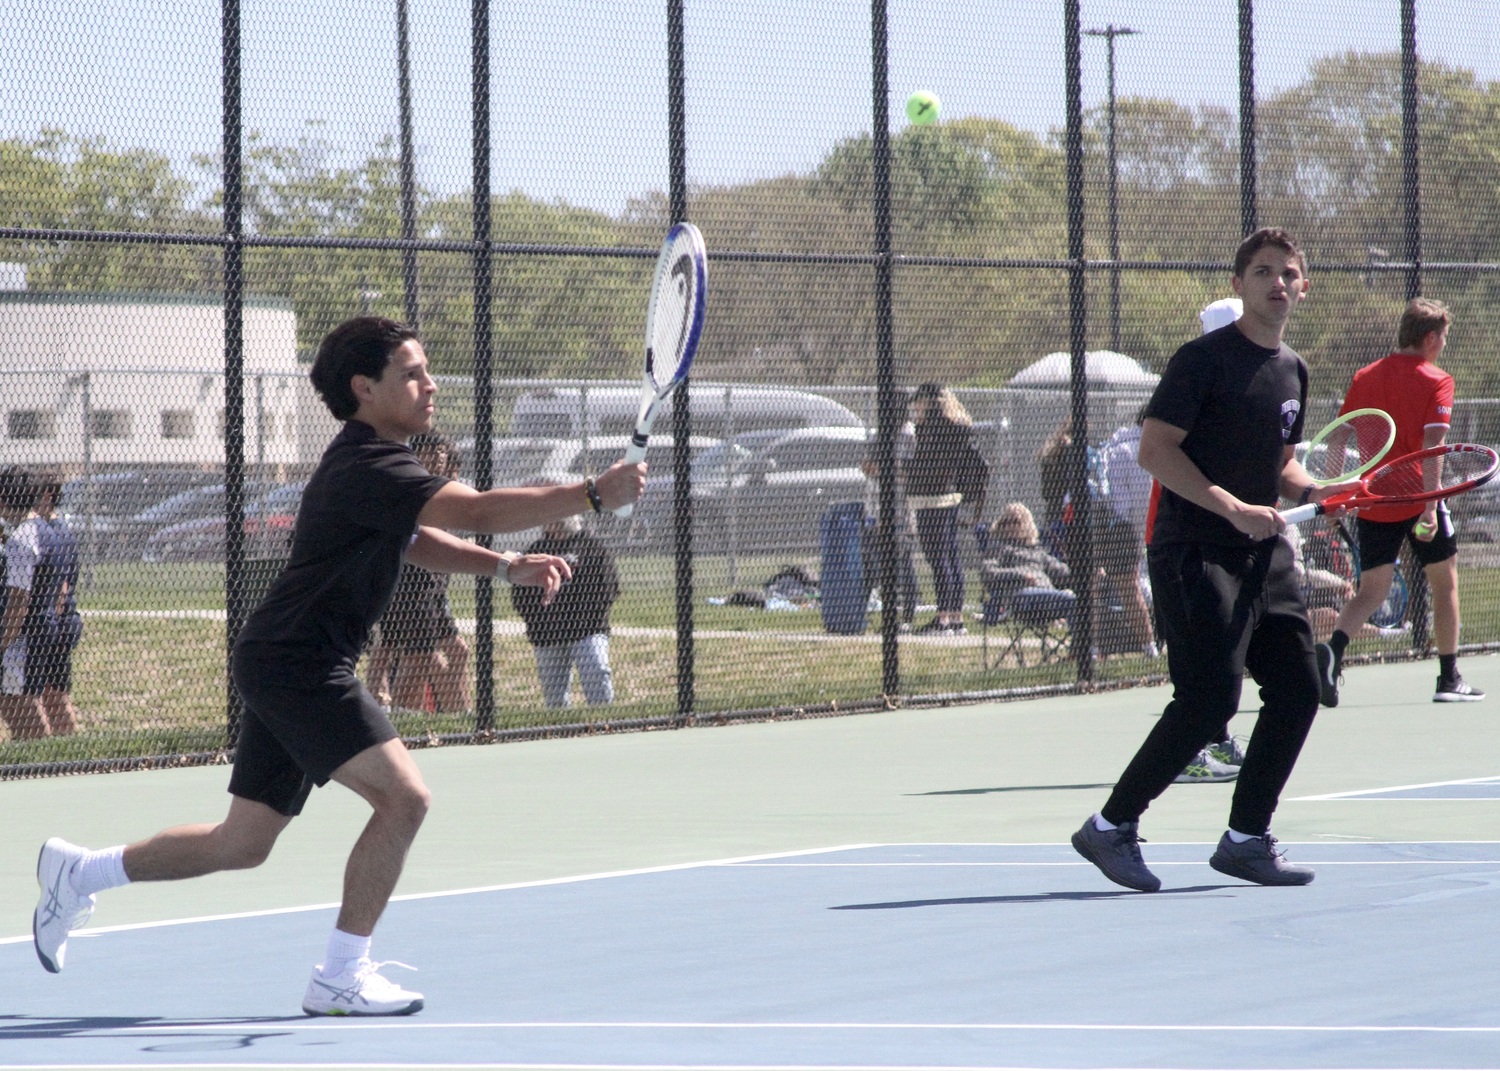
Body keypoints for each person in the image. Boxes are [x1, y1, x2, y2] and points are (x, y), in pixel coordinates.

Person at [31, 316, 645, 1016]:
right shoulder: (368, 461)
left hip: (283, 656)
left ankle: (79, 872)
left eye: (427, 370)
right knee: (405, 798)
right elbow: (476, 507)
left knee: (243, 842)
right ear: (365, 387)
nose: (430, 383)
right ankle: (339, 975)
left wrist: (505, 565)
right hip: (300, 663)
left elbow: (417, 540)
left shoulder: (375, 463)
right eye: (411, 372)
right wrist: (592, 493)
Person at [1071, 228, 1342, 892]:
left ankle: (1246, 839)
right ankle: (1110, 827)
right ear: (1238, 284)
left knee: (1300, 688)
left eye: (1288, 272)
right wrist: (1230, 507)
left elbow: (1279, 465)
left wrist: (1314, 492)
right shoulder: (1201, 361)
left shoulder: (1293, 371)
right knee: (1208, 699)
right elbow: (1156, 451)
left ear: (1302, 286)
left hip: (1264, 552)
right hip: (1194, 550)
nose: (1276, 282)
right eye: (1262, 272)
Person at [1316, 297, 1484, 705]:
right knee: (1445, 585)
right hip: (1418, 497)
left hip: (1373, 501)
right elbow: (1433, 444)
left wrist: (1339, 491)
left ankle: (1333, 653)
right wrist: (1429, 506)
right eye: (1443, 337)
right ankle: (1449, 678)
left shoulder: (1365, 376)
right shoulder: (1437, 380)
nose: (1443, 344)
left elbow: (1338, 435)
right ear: (1430, 338)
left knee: (1371, 591)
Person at [369, 432, 471, 714]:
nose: (438, 456)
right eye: (430, 450)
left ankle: (459, 715)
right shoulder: (411, 481)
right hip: (409, 581)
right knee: (416, 654)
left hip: (434, 583)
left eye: (440, 451)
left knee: (455, 652)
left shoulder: (441, 484)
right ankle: (396, 715)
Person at [512, 491, 621, 708]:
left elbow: (610, 588)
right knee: (554, 696)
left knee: (597, 671)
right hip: (548, 633)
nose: (553, 521)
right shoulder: (537, 551)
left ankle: (604, 718)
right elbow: (520, 594)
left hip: (587, 630)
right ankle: (560, 727)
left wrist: (586, 616)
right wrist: (539, 620)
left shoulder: (592, 547)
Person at [905, 382, 987, 635]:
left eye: (919, 402)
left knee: (938, 556)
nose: (916, 408)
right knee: (950, 556)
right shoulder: (957, 426)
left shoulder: (932, 426)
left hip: (932, 498)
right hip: (951, 495)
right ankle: (955, 617)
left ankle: (942, 619)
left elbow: (925, 464)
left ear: (928, 401)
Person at [860, 397, 919, 633]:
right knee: (875, 560)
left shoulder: (909, 436)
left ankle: (907, 614)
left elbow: (908, 473)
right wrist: (884, 469)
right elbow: (867, 466)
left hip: (901, 509)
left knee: (902, 561)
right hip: (876, 505)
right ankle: (880, 613)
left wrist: (887, 470)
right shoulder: (879, 435)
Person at [0, 468, 50, 739]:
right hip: (42, 628)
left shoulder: (21, 540)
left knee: (19, 701)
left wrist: (4, 640)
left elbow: (19, 596)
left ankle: (35, 757)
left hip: (24, 635)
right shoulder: (44, 528)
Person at [31, 472, 82, 736]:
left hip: (57, 623)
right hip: (58, 621)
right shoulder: (54, 529)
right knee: (52, 693)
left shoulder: (53, 532)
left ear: (48, 497)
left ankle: (63, 745)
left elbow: (60, 588)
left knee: (53, 693)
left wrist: (51, 620)